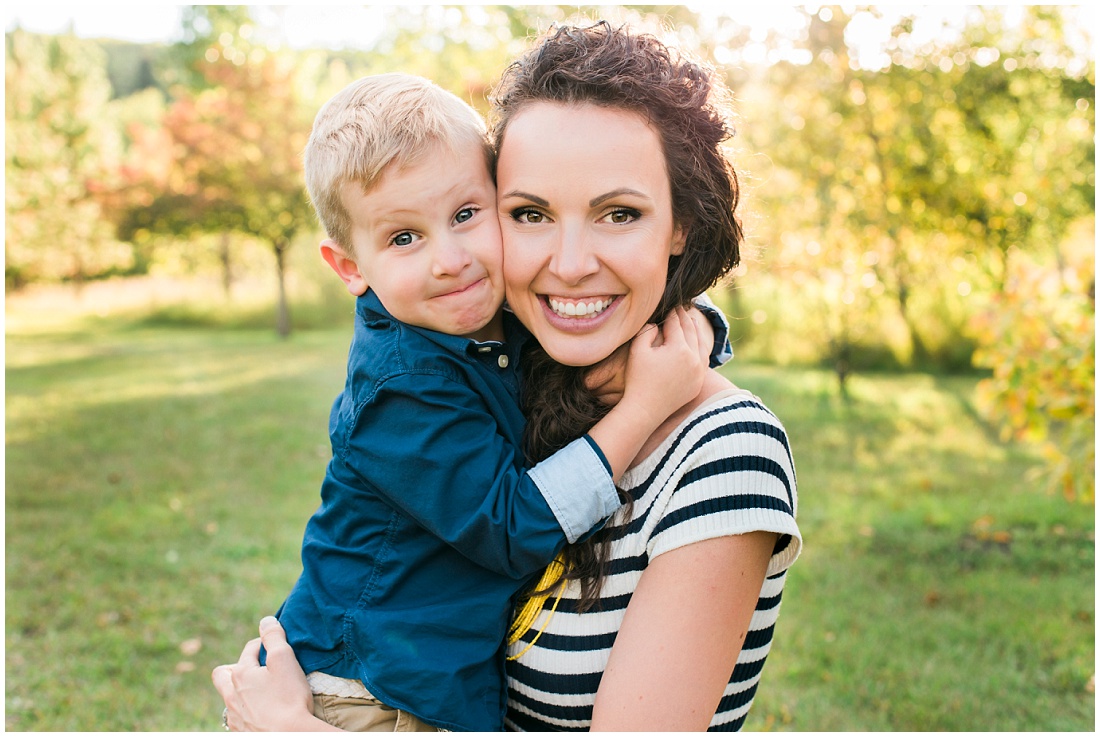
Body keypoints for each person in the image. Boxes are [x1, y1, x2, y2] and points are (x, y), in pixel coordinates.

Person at [214, 21, 801, 732]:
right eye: (531, 213)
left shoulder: (726, 453)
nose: (571, 261)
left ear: (681, 225)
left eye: (620, 213)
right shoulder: (484, 373)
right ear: (351, 266)